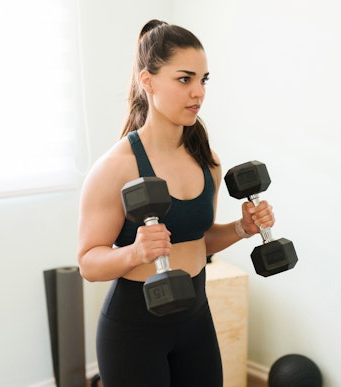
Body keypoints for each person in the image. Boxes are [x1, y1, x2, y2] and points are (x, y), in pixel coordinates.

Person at [77, 19, 276, 387]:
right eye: (184, 79)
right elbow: (88, 262)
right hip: (133, 331)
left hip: (195, 319)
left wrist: (241, 229)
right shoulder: (115, 168)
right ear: (147, 81)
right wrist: (135, 253)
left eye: (204, 80)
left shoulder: (207, 161)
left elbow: (197, 240)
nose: (197, 92)